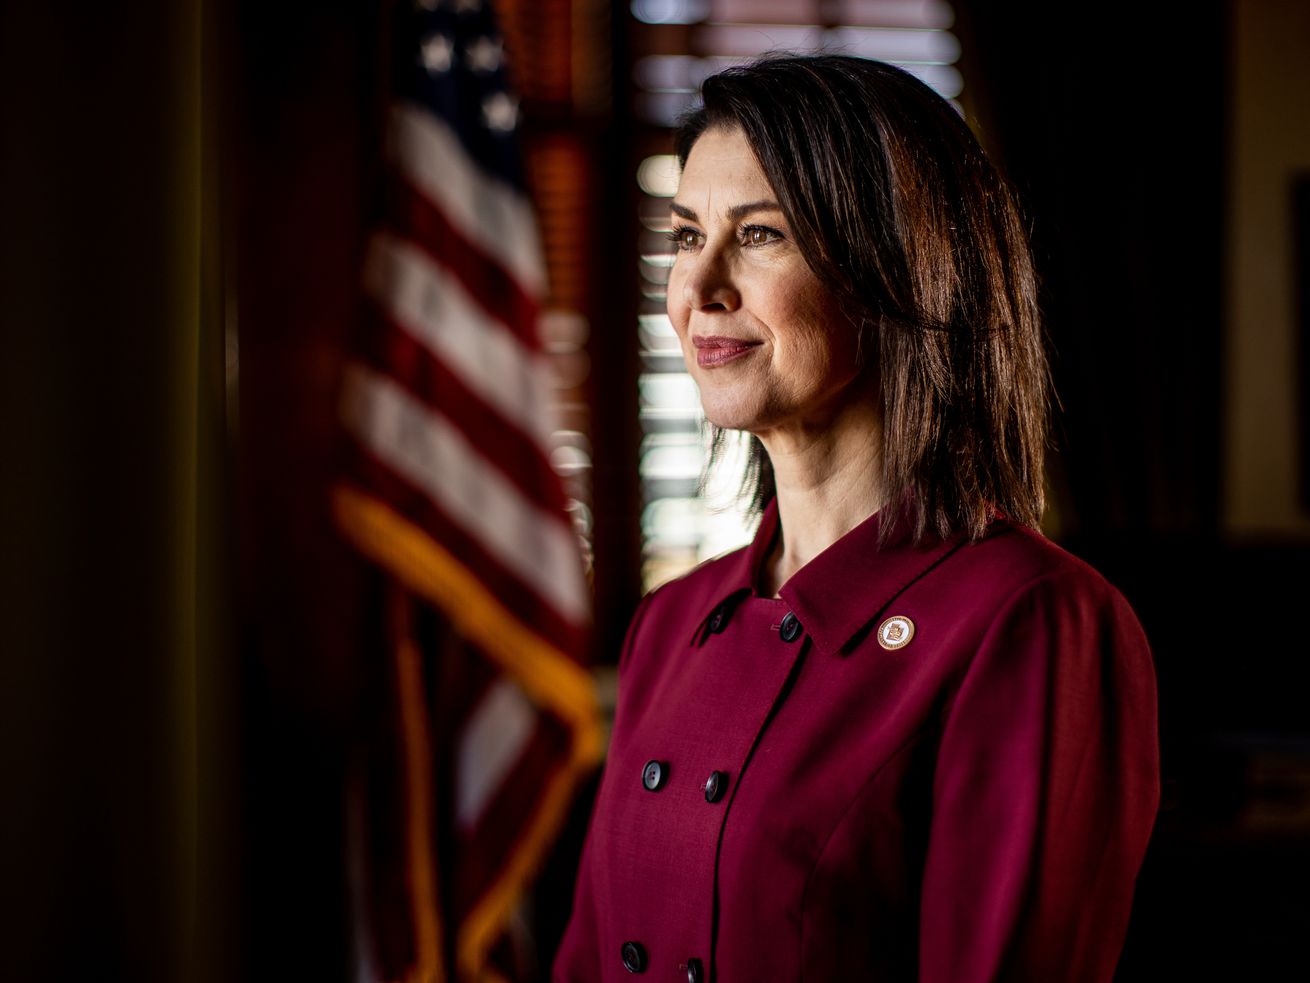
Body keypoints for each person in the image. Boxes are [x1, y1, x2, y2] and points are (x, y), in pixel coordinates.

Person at [553, 55, 1159, 982]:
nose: (699, 287)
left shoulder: (1033, 624)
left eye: (759, 235)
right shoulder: (670, 625)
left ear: (899, 267)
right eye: (684, 235)